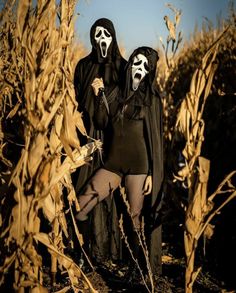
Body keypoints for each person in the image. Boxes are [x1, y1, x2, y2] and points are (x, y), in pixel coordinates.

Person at [76, 46, 164, 277]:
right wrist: (99, 95)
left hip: (139, 167)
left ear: (150, 71)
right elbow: (102, 121)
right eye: (137, 62)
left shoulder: (152, 99)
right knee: (82, 205)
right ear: (130, 64)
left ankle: (137, 270)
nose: (140, 67)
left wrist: (152, 174)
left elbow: (155, 139)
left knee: (134, 219)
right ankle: (82, 257)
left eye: (145, 66)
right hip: (113, 165)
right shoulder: (116, 91)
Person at [73, 18, 127, 265]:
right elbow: (77, 104)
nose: (101, 38)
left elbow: (127, 108)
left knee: (110, 197)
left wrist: (106, 93)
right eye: (97, 34)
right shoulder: (83, 66)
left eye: (106, 34)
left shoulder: (123, 67)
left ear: (112, 37)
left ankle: (108, 252)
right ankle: (82, 252)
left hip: (113, 140)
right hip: (88, 138)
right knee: (83, 190)